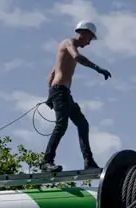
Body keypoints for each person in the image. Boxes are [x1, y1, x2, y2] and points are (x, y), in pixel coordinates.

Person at [42, 20, 112, 171]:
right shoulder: (68, 43)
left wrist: (49, 96)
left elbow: (52, 73)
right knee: (62, 125)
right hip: (60, 91)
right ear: (84, 33)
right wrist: (97, 68)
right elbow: (77, 57)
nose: (89, 43)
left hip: (64, 92)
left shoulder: (67, 48)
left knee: (82, 123)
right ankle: (47, 161)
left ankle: (89, 161)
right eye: (90, 38)